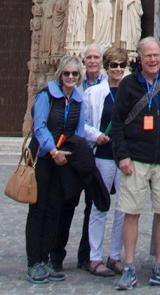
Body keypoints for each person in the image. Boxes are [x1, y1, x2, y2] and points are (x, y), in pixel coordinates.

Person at [110, 37, 160, 289]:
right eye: (148, 55)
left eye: (157, 55)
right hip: (135, 159)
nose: (153, 59)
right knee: (131, 212)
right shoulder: (128, 85)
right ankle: (128, 266)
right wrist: (122, 155)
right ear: (139, 58)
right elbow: (117, 122)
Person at [25, 55, 87, 284]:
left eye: (74, 74)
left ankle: (46, 260)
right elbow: (39, 126)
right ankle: (34, 263)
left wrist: (71, 152)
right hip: (43, 158)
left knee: (54, 209)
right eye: (67, 73)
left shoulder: (79, 101)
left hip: (63, 160)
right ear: (60, 74)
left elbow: (79, 132)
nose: (70, 77)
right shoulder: (46, 96)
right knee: (38, 209)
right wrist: (53, 151)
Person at [56, 44, 106, 272]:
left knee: (93, 205)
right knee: (67, 202)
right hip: (76, 153)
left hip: (97, 154)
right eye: (89, 57)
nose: (93, 61)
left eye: (97, 57)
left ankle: (86, 256)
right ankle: (56, 254)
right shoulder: (74, 85)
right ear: (83, 60)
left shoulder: (109, 86)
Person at [82, 47, 130, 277]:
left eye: (122, 65)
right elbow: (83, 123)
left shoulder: (131, 91)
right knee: (99, 206)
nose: (118, 69)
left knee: (123, 208)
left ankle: (115, 256)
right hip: (102, 155)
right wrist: (95, 136)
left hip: (125, 156)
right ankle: (94, 257)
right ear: (106, 67)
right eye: (114, 65)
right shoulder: (93, 93)